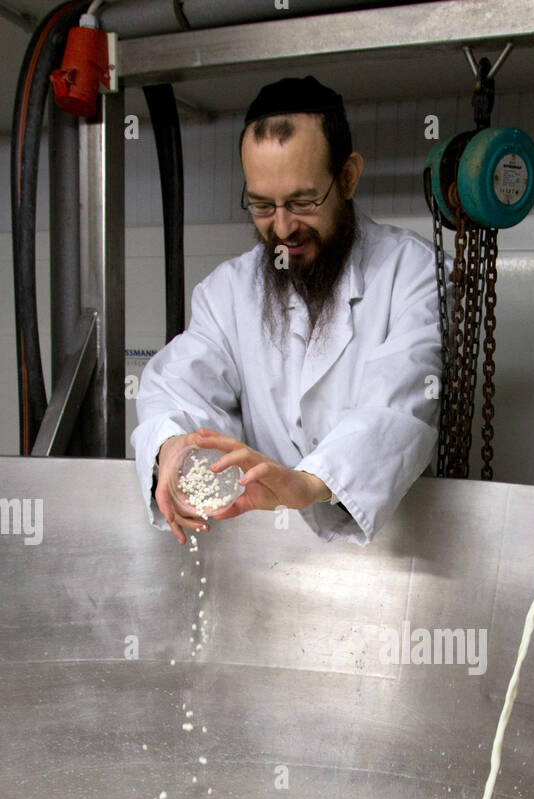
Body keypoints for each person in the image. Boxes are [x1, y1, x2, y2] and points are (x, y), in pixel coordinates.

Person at [131, 75, 443, 546]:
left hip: (398, 552)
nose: (282, 228)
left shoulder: (413, 273)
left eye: (302, 202)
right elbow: (178, 385)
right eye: (261, 206)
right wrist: (172, 444)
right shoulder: (228, 291)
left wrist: (308, 483)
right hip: (270, 554)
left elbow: (401, 406)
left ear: (348, 177)